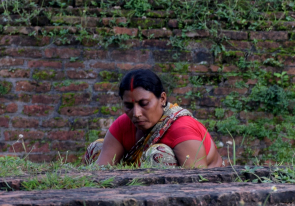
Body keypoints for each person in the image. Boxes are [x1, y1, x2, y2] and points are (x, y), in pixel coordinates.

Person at [85, 68, 223, 168]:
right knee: (97, 147)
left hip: (189, 196)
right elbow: (100, 170)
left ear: (162, 99)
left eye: (144, 104)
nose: (136, 113)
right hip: (134, 192)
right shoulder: (123, 124)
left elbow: (197, 184)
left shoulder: (182, 129)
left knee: (158, 155)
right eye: (129, 106)